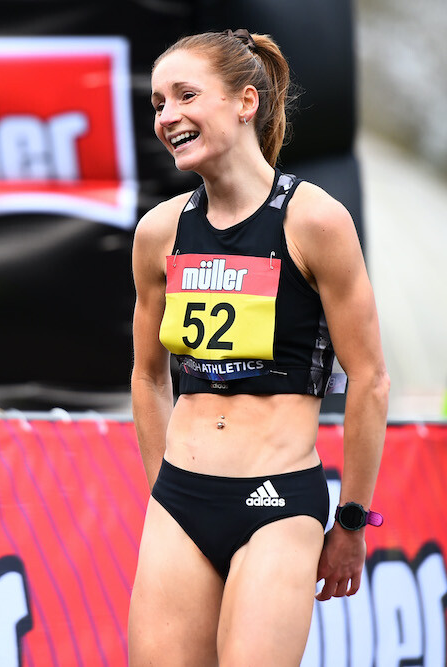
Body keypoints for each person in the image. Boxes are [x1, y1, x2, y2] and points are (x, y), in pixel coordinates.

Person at [128, 29, 389, 665]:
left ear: (246, 102)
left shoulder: (315, 219)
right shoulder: (159, 231)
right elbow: (147, 377)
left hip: (277, 503)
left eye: (186, 95)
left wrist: (352, 521)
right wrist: (166, 491)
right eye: (158, 103)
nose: (167, 116)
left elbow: (370, 380)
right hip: (181, 501)